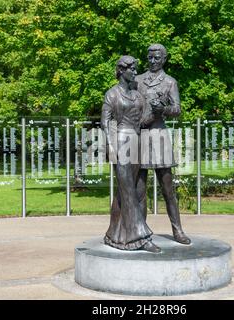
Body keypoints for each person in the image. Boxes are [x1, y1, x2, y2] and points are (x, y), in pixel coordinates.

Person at [101, 55, 160, 253]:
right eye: (132, 69)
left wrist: (160, 110)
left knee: (134, 190)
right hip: (120, 143)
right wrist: (112, 151)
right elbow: (106, 122)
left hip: (138, 142)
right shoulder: (112, 94)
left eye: (135, 68)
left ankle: (114, 235)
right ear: (121, 70)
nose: (135, 72)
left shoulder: (137, 95)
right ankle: (141, 237)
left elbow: (144, 119)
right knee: (128, 192)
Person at [136, 44, 191, 246]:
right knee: (139, 190)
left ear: (164, 59)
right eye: (150, 57)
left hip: (159, 136)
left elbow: (177, 109)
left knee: (168, 188)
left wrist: (164, 109)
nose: (152, 61)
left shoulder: (170, 82)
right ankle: (141, 232)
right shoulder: (137, 80)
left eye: (157, 58)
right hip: (140, 137)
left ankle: (177, 230)